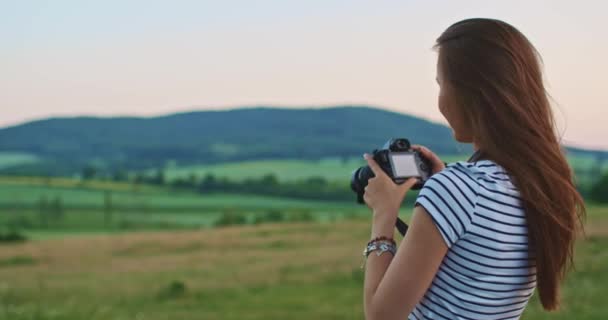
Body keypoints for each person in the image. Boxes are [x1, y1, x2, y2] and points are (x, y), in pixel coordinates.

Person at [361, 18, 586, 320]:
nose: (439, 100)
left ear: (471, 92)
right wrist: (448, 190)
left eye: (441, 84)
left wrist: (384, 213)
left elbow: (381, 315)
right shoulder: (544, 185)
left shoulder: (459, 190)